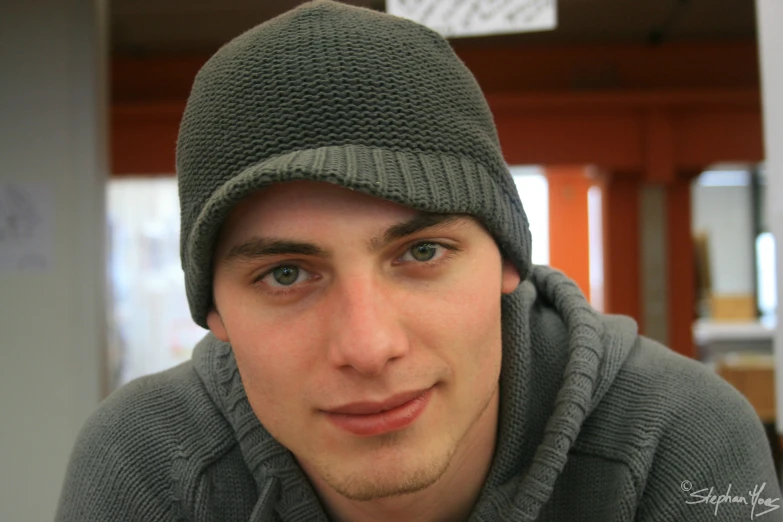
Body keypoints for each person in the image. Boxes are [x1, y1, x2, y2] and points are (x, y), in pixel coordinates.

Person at [56, 1, 781, 521]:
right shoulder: (146, 464)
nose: (369, 347)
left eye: (421, 252)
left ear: (507, 264)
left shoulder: (674, 439)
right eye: (285, 274)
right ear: (214, 310)